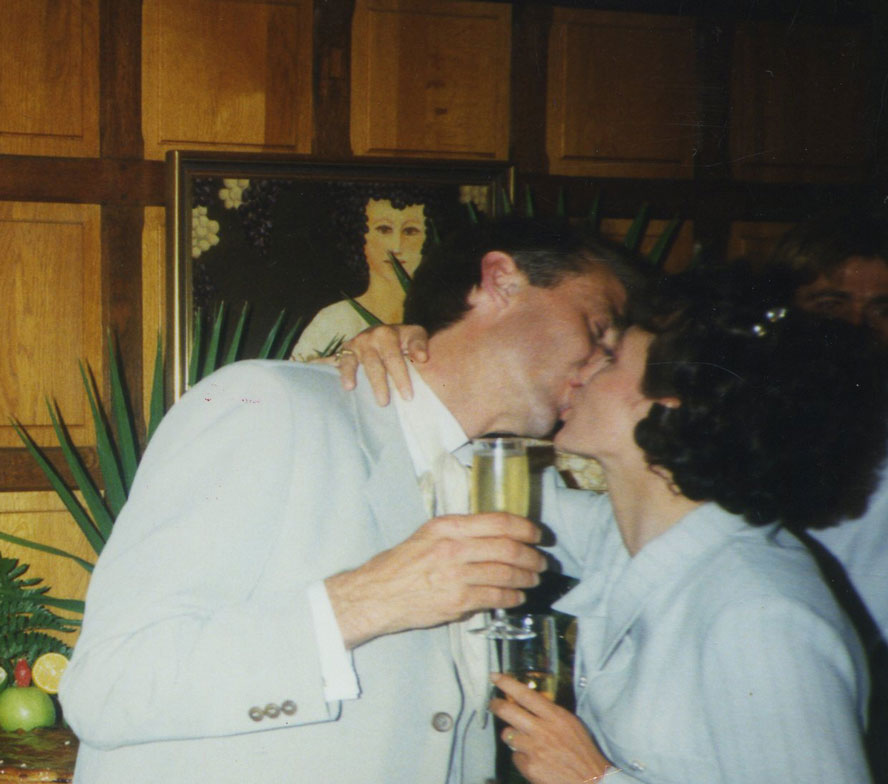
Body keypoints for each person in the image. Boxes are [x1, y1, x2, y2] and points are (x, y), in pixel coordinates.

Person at [59, 217, 645, 784]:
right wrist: (364, 602)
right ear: (500, 281)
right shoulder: (269, 406)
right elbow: (107, 687)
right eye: (597, 327)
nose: (603, 363)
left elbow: (665, 544)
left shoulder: (503, 482)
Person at [485, 270, 887, 783]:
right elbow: (469, 484)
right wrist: (402, 361)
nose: (581, 369)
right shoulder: (633, 538)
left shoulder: (760, 615)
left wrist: (592, 779)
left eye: (609, 358)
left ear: (672, 402)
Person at [290, 183, 454, 360]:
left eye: (410, 231)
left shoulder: (447, 320)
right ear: (360, 237)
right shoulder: (334, 319)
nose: (396, 246)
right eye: (384, 229)